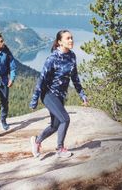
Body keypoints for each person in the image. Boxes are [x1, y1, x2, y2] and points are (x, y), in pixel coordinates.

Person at [29, 30, 88, 158]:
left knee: (55, 125)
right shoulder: (52, 58)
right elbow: (42, 79)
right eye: (68, 38)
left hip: (60, 96)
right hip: (49, 94)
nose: (71, 40)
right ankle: (60, 149)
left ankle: (37, 141)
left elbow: (75, 78)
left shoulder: (72, 56)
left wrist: (82, 94)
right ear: (60, 42)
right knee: (65, 119)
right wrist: (34, 99)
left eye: (71, 38)